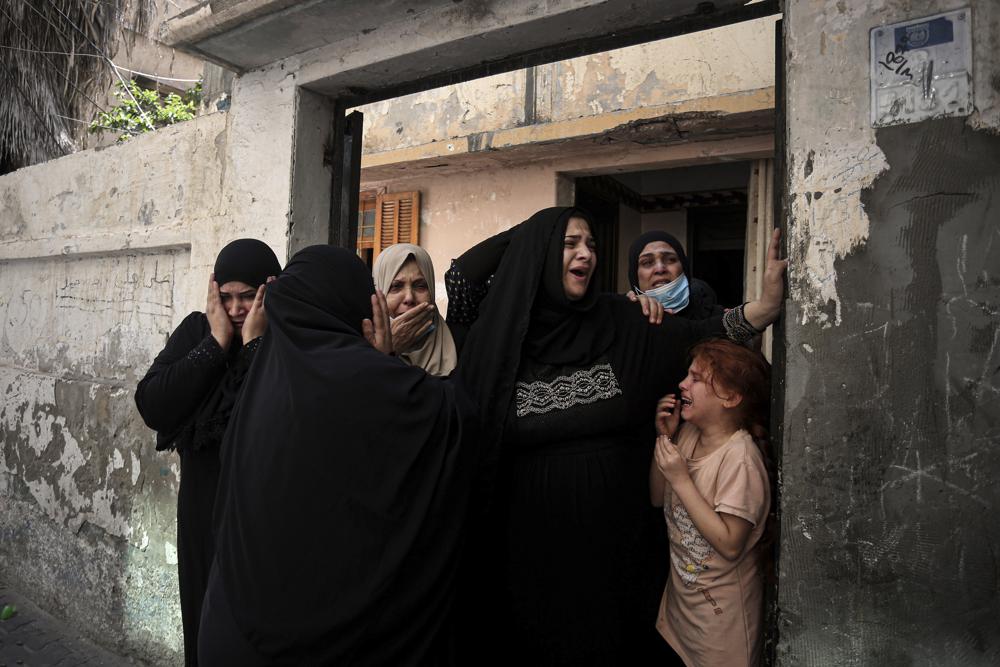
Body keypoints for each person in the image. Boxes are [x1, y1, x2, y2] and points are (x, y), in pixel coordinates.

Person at [445, 207, 785, 665]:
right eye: (569, 244)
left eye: (590, 244)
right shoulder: (505, 336)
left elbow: (700, 336)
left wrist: (762, 310)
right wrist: (531, 232)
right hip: (531, 554)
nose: (586, 253)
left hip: (617, 551)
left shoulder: (623, 320)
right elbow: (462, 280)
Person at [199, 245, 480, 665]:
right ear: (361, 303)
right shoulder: (373, 381)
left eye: (420, 285)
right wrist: (387, 362)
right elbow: (461, 422)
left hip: (232, 633)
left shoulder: (265, 377)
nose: (407, 298)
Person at [134, 238, 280, 666]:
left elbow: (268, 420)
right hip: (201, 509)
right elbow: (152, 402)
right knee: (201, 620)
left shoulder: (283, 340)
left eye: (249, 296)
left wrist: (254, 345)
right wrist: (216, 344)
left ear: (270, 291)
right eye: (227, 296)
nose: (236, 309)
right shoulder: (198, 331)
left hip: (257, 517)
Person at [650, 339, 771, 666]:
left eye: (697, 378)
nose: (682, 384)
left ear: (731, 398)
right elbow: (657, 497)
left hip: (721, 636)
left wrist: (680, 478)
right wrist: (666, 437)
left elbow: (731, 545)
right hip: (683, 620)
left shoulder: (740, 461)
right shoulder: (688, 433)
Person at [372, 243, 458, 375]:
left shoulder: (459, 346)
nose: (409, 298)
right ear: (380, 293)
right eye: (396, 286)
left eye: (420, 286)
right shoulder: (360, 348)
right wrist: (389, 350)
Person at [626, 230, 723, 319]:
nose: (660, 269)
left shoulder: (716, 320)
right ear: (634, 276)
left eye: (671, 260)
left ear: (684, 268)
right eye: (647, 262)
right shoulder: (624, 321)